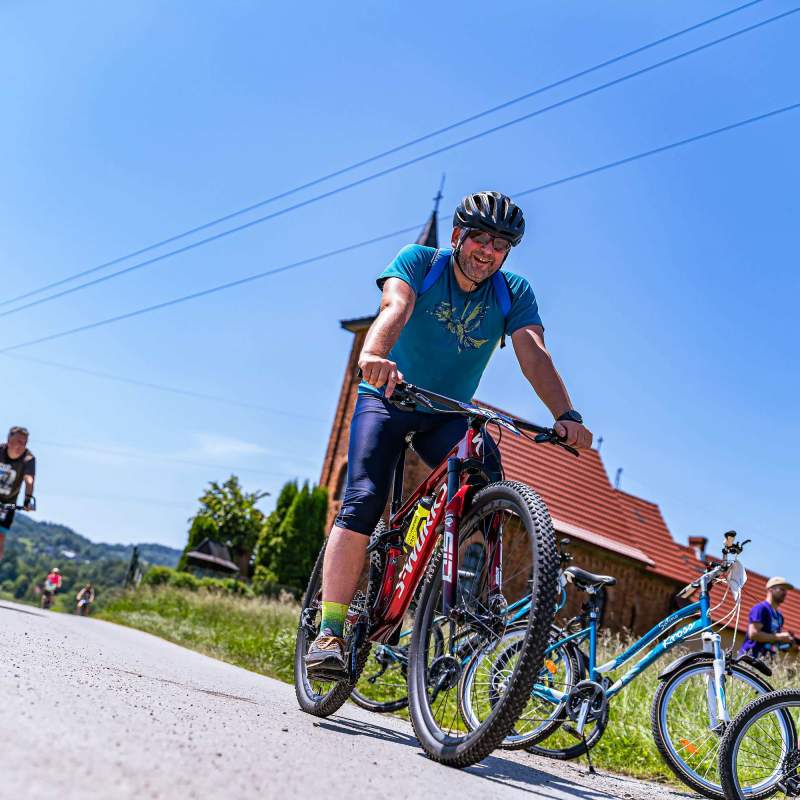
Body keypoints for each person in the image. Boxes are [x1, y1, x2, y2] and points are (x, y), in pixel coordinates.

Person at [305, 191, 593, 679]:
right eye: (478, 237)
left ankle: (463, 601)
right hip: (390, 396)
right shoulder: (421, 262)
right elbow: (394, 306)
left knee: (488, 483)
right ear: (458, 236)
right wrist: (374, 354)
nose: (487, 250)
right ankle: (330, 630)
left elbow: (533, 353)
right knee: (364, 499)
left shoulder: (513, 292)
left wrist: (567, 413)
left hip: (447, 411)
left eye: (500, 244)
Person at [0, 426, 36, 561]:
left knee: (0, 538)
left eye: (24, 443)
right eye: (18, 441)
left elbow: (29, 480)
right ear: (9, 441)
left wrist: (27, 500)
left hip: (8, 503)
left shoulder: (28, 459)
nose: (21, 446)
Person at [739, 577, 795, 658]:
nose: (785, 593)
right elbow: (753, 634)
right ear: (770, 589)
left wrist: (785, 642)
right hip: (750, 659)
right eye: (782, 589)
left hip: (767, 662)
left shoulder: (779, 616)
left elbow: (773, 640)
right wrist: (779, 637)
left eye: (786, 590)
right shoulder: (761, 608)